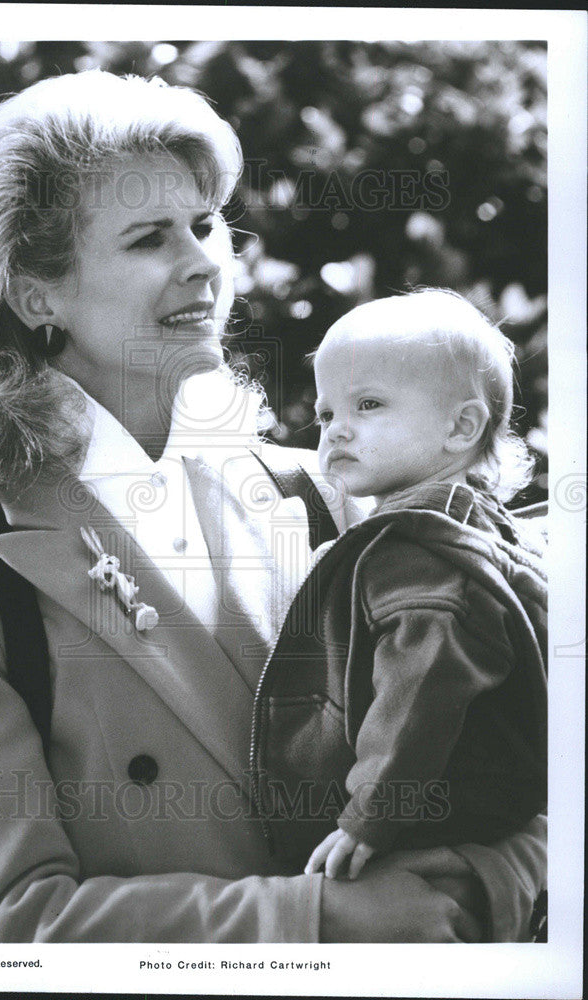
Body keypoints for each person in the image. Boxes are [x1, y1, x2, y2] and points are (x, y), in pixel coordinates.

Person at [0, 71, 545, 943]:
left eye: (207, 224)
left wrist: (473, 892)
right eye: (148, 237)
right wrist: (324, 922)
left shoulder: (331, 493)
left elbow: (530, 769)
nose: (203, 263)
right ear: (36, 294)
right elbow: (8, 927)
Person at [251, 290, 547, 883]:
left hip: (418, 828)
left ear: (461, 425)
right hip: (471, 815)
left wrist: (370, 815)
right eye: (328, 412)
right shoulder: (476, 526)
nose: (335, 431)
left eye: (369, 404)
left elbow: (421, 692)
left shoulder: (419, 550)